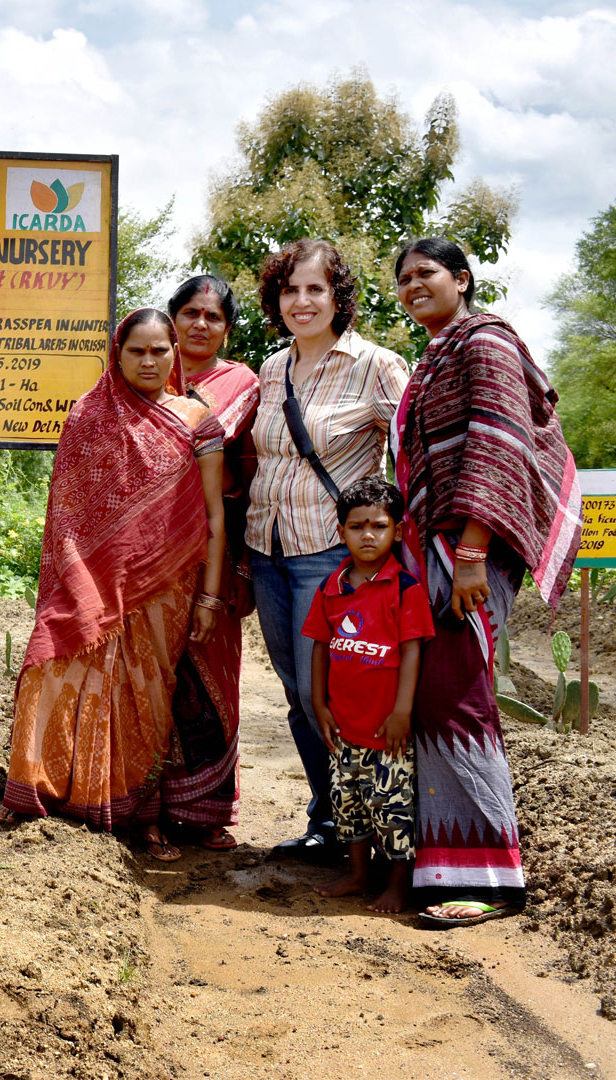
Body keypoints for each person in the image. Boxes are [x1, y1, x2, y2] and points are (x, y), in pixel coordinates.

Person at [391, 237, 581, 926]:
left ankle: (494, 879)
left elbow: (497, 441)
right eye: (404, 278)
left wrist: (471, 549)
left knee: (463, 702)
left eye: (427, 274)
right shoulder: (437, 354)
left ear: (462, 279)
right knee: (441, 700)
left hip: (470, 554)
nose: (413, 286)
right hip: (439, 551)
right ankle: (445, 868)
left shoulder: (486, 342)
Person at [0, 308, 225, 862]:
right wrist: (75, 580)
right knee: (55, 669)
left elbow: (215, 518)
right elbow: (67, 515)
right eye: (136, 351)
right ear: (116, 354)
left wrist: (210, 595)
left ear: (175, 353)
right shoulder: (86, 416)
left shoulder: (197, 419)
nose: (148, 361)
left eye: (159, 351)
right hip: (88, 582)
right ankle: (42, 793)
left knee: (148, 696)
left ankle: (141, 814)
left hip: (166, 586)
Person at [246, 238, 409, 863]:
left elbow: (413, 446)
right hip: (268, 548)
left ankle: (370, 833)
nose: (302, 301)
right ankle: (330, 820)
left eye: (316, 288)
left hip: (333, 557)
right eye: (291, 290)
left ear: (338, 296)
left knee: (336, 693)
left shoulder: (376, 365)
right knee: (297, 691)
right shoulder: (271, 369)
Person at [302, 478, 433, 912]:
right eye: (357, 526)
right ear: (341, 532)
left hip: (385, 731)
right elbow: (321, 645)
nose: (369, 535)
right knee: (347, 804)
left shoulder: (405, 589)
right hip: (343, 727)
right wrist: (319, 704)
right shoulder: (331, 586)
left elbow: (411, 652)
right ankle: (358, 874)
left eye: (379, 525)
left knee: (393, 808)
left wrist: (402, 711)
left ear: (396, 530)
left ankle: (398, 884)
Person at [165, 274, 260, 848]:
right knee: (148, 672)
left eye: (214, 317)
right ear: (173, 316)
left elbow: (235, 460)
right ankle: (144, 804)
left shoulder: (240, 382)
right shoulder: (139, 367)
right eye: (191, 313)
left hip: (214, 544)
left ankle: (204, 809)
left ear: (226, 328)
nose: (201, 325)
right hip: (148, 547)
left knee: (210, 669)